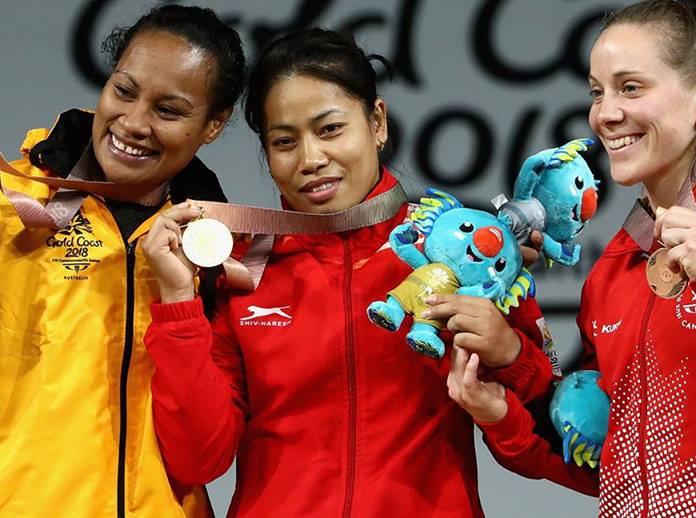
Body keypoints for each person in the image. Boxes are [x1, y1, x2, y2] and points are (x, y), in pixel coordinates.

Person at [140, 28, 558, 517]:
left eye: (330, 129)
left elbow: (539, 450)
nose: (312, 159)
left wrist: (510, 354)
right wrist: (178, 302)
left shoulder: (463, 252)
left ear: (376, 122)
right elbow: (200, 459)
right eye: (284, 141)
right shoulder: (240, 269)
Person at [0, 4, 244, 516]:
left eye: (168, 111)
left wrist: (179, 299)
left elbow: (203, 458)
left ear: (213, 124)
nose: (133, 122)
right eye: (123, 91)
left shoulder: (214, 247)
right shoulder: (2, 204)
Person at [446, 1, 696, 516]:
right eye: (597, 91)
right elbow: (605, 462)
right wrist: (504, 414)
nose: (605, 114)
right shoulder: (614, 267)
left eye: (630, 87)